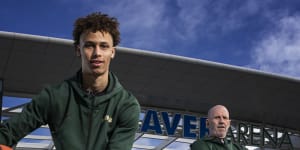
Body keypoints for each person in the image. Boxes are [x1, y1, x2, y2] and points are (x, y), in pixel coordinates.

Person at [0, 12, 140, 150]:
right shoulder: (54, 96)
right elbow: (8, 133)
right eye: (89, 45)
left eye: (104, 46)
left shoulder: (127, 105)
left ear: (112, 52)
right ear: (78, 50)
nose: (97, 53)